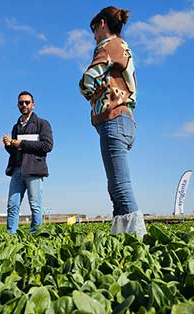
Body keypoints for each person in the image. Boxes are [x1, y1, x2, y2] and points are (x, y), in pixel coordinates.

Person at [79, 6, 146, 237]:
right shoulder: (123, 48)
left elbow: (88, 79)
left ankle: (138, 242)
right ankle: (120, 239)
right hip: (126, 120)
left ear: (102, 24)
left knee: (120, 186)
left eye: (94, 29)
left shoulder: (108, 45)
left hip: (114, 119)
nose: (94, 35)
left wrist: (89, 93)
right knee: (115, 187)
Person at [3, 91, 54, 234]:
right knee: (12, 205)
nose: (24, 105)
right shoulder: (16, 127)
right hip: (17, 169)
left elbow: (47, 146)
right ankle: (10, 235)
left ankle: (36, 234)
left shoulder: (42, 124)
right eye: (21, 103)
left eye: (27, 102)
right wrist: (9, 145)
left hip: (34, 169)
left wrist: (22, 143)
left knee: (35, 205)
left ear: (33, 105)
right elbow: (15, 151)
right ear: (18, 105)